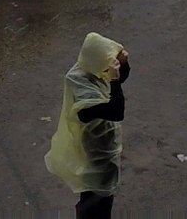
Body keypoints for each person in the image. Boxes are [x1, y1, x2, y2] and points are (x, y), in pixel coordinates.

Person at [45, 32, 131, 219]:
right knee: (96, 203)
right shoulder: (85, 98)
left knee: (94, 202)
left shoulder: (88, 69)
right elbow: (116, 110)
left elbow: (113, 79)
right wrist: (115, 80)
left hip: (104, 153)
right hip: (98, 159)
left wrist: (123, 65)